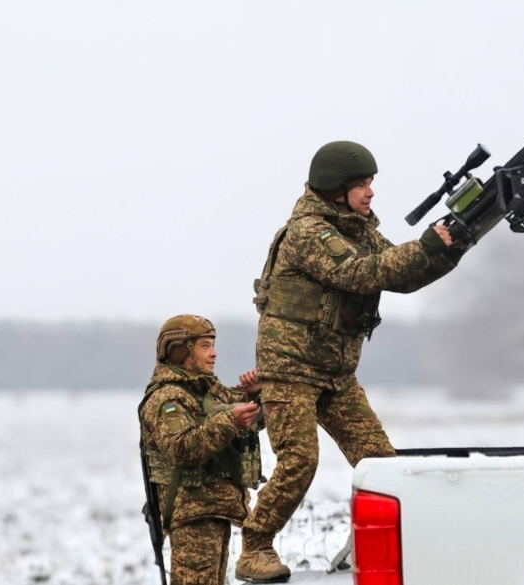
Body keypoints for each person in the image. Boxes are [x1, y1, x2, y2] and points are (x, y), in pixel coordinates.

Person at [235, 141, 462, 582]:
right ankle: (255, 548)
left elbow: (402, 276)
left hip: (336, 373)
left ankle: (381, 544)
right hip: (290, 368)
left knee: (379, 462)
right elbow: (362, 273)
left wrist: (450, 247)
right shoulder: (308, 233)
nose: (370, 192)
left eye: (371, 183)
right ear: (334, 189)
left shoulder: (358, 229)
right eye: (360, 184)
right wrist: (427, 244)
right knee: (300, 460)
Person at [139, 314, 264, 585]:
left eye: (213, 345)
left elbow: (252, 416)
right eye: (205, 346)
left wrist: (255, 395)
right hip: (193, 516)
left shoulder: (208, 388)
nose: (214, 353)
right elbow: (182, 448)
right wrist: (232, 420)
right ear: (181, 350)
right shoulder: (166, 398)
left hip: (216, 510)